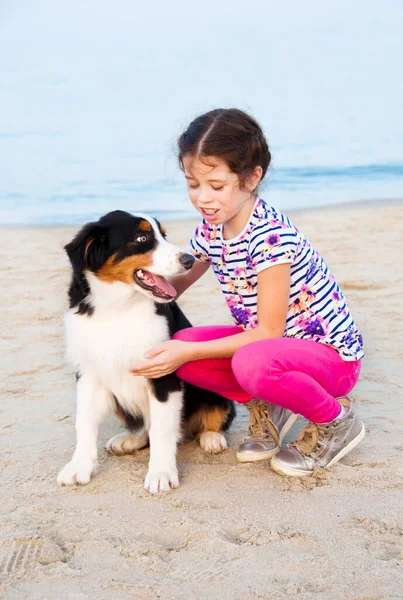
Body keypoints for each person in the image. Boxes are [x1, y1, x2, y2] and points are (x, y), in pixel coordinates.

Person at [132, 108, 365, 477]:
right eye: (193, 184)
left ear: (252, 177)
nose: (203, 198)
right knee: (182, 343)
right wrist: (128, 283)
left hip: (330, 361)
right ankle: (272, 402)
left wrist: (185, 351)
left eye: (217, 186)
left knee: (241, 360)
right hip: (275, 351)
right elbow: (172, 289)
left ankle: (336, 421)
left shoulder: (270, 237)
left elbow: (268, 333)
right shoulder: (212, 229)